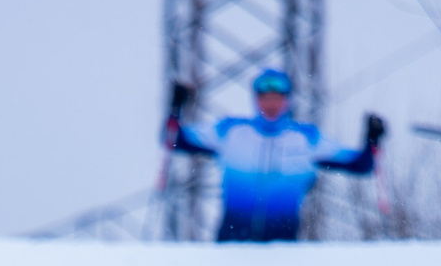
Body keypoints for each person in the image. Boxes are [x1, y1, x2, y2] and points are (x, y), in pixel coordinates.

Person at [164, 69, 384, 243]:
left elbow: (361, 165)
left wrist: (372, 140)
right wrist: (175, 109)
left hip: (282, 249)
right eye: (265, 98)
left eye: (277, 98)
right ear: (256, 100)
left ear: (287, 101)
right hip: (231, 245)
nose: (271, 105)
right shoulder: (231, 132)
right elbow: (173, 140)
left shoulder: (306, 139)